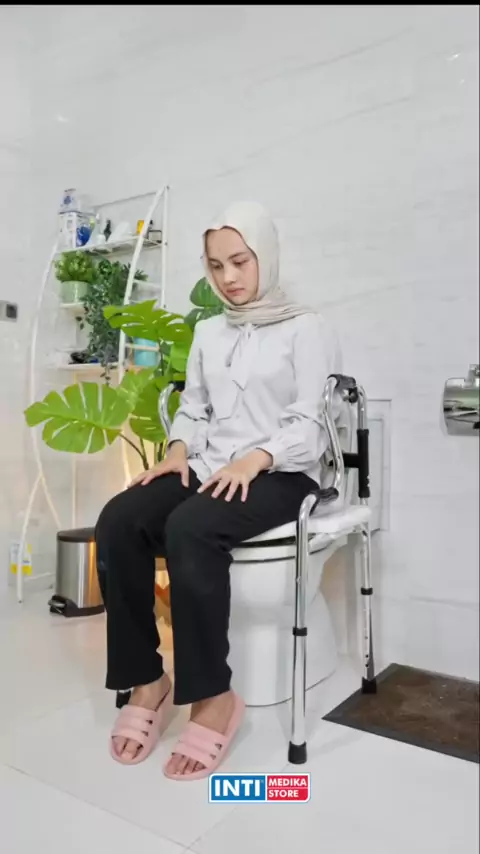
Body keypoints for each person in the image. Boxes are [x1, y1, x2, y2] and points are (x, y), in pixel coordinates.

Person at [95, 201, 341, 781]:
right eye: (215, 265)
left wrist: (256, 459)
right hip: (210, 466)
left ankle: (213, 697)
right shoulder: (209, 330)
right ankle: (147, 679)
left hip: (282, 472)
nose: (228, 277)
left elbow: (311, 421)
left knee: (192, 526)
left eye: (240, 261)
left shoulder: (306, 328)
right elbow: (194, 408)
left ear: (264, 256)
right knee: (120, 519)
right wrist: (178, 450)